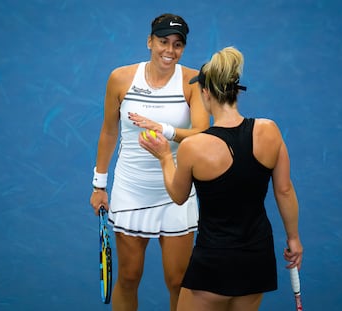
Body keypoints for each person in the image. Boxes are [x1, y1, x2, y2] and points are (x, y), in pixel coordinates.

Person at [139, 46, 303, 311]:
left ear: (206, 93)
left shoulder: (194, 146)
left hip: (213, 265)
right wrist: (293, 239)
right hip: (257, 261)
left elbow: (178, 196)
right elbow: (284, 190)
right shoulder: (269, 130)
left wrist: (165, 158)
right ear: (236, 90)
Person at [89, 13, 210, 311]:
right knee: (129, 277)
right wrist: (99, 185)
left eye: (177, 44)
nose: (169, 50)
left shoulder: (192, 81)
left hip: (177, 192)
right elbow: (108, 130)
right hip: (131, 190)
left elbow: (203, 133)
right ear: (149, 41)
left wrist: (163, 129)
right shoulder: (121, 78)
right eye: (163, 42)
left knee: (178, 280)